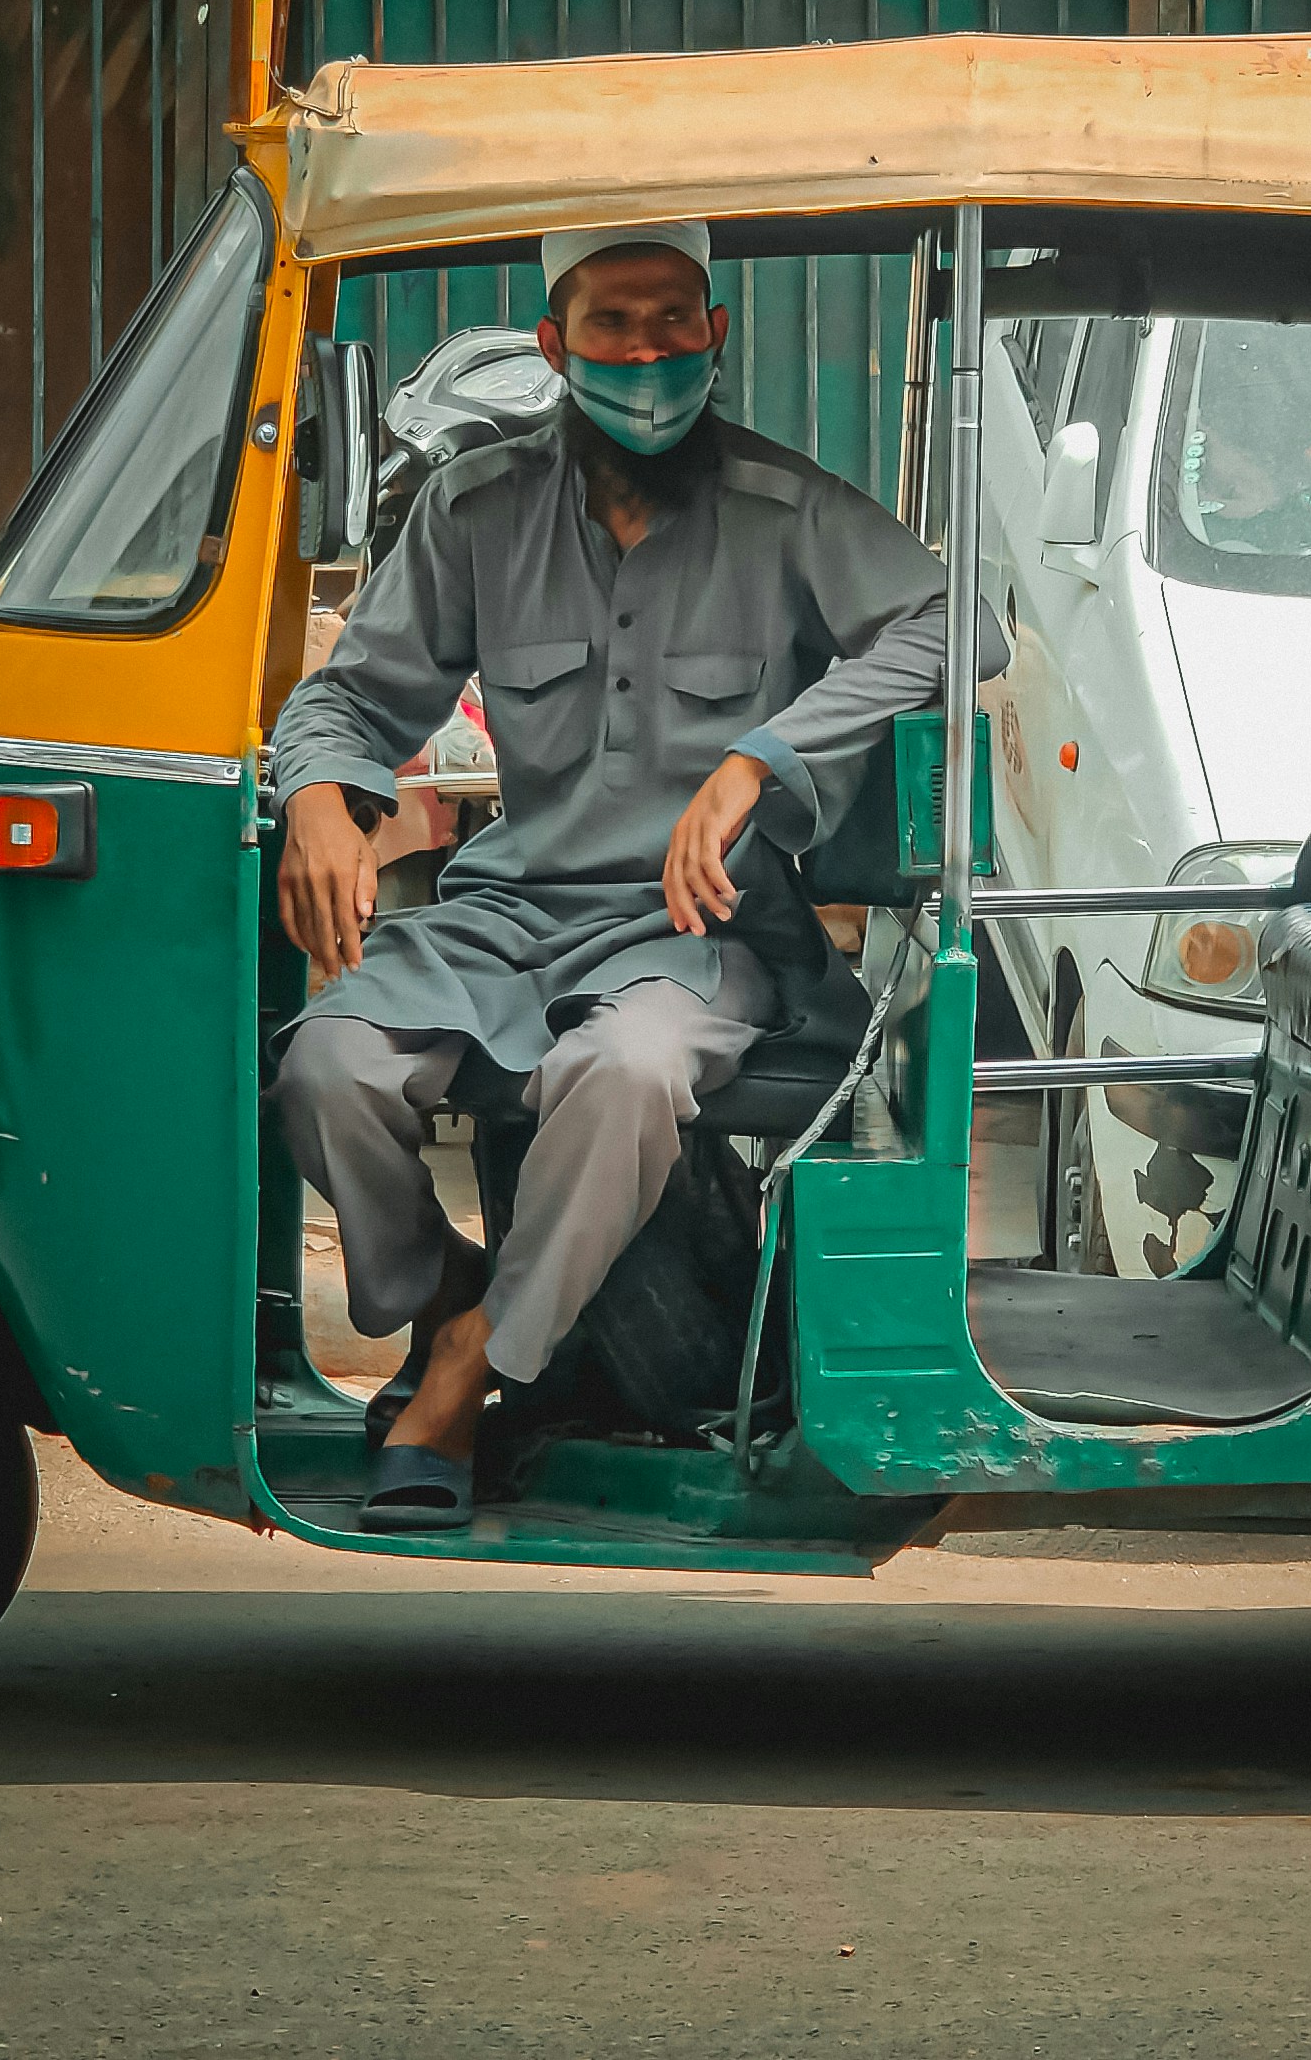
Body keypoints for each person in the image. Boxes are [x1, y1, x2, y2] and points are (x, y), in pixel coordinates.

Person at [265, 221, 1004, 1531]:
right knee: (327, 1068)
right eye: (614, 323)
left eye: (676, 320)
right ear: (558, 345)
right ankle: (463, 1308)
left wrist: (760, 760)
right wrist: (316, 789)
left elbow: (964, 627)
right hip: (504, 911)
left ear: (715, 334)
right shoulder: (473, 509)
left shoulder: (785, 510)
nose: (649, 351)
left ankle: (456, 1388)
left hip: (692, 927)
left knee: (628, 1074)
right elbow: (355, 697)